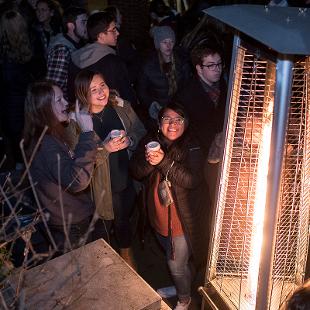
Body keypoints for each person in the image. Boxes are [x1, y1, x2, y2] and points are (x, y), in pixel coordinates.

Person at [130, 102, 209, 310]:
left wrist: (163, 161)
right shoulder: (150, 140)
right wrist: (150, 161)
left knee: (175, 265)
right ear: (159, 122)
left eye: (178, 120)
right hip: (158, 216)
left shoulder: (192, 144)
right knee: (177, 263)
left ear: (186, 123)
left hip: (182, 220)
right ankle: (181, 285)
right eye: (167, 119)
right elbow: (136, 171)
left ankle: (185, 299)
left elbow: (192, 179)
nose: (172, 124)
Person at [74, 69, 146, 267]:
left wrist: (130, 140)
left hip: (126, 178)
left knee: (124, 221)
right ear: (82, 94)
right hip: (99, 187)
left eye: (103, 85)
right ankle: (106, 267)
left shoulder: (121, 106)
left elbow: (140, 130)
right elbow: (76, 162)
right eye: (93, 89)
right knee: (101, 230)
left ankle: (127, 258)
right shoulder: (78, 122)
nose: (101, 92)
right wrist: (104, 148)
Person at [23, 80, 98, 253]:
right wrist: (87, 134)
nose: (66, 102)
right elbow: (77, 180)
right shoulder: (46, 144)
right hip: (69, 224)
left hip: (65, 215)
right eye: (58, 100)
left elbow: (66, 164)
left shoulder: (46, 133)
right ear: (44, 108)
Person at [0, 9, 45, 170]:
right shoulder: (33, 38)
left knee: (16, 136)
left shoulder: (5, 49)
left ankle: (22, 167)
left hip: (11, 100)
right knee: (32, 134)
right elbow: (41, 69)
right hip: (29, 96)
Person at [68, 11, 136, 106]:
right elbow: (126, 95)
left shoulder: (75, 57)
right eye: (113, 30)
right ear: (100, 35)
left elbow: (72, 93)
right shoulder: (113, 62)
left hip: (85, 114)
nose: (118, 33)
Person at [137, 25, 191, 130]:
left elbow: (187, 86)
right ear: (158, 44)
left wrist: (181, 106)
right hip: (158, 110)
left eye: (171, 41)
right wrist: (152, 104)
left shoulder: (182, 62)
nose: (168, 45)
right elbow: (141, 91)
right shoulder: (148, 65)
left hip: (178, 109)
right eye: (164, 42)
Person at [46, 6, 88, 100]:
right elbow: (55, 86)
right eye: (83, 22)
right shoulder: (61, 50)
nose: (87, 25)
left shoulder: (79, 44)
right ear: (70, 25)